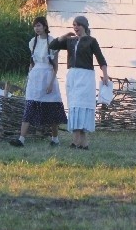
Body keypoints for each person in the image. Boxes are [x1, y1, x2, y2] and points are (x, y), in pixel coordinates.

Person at [48, 16, 108, 150]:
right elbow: (52, 46)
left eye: (78, 25)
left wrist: (105, 75)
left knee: (83, 107)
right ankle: (81, 142)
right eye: (74, 25)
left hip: (86, 76)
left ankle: (79, 141)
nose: (75, 27)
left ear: (84, 26)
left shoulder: (91, 41)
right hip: (73, 76)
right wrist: (64, 36)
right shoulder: (71, 41)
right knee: (74, 106)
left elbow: (101, 60)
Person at [9, 16, 67, 147]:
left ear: (45, 26)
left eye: (39, 25)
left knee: (51, 108)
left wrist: (51, 83)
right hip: (35, 77)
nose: (37, 28)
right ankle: (21, 139)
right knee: (30, 106)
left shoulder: (53, 42)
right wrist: (29, 76)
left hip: (48, 76)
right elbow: (32, 62)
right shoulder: (32, 42)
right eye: (35, 26)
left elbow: (55, 66)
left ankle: (55, 139)